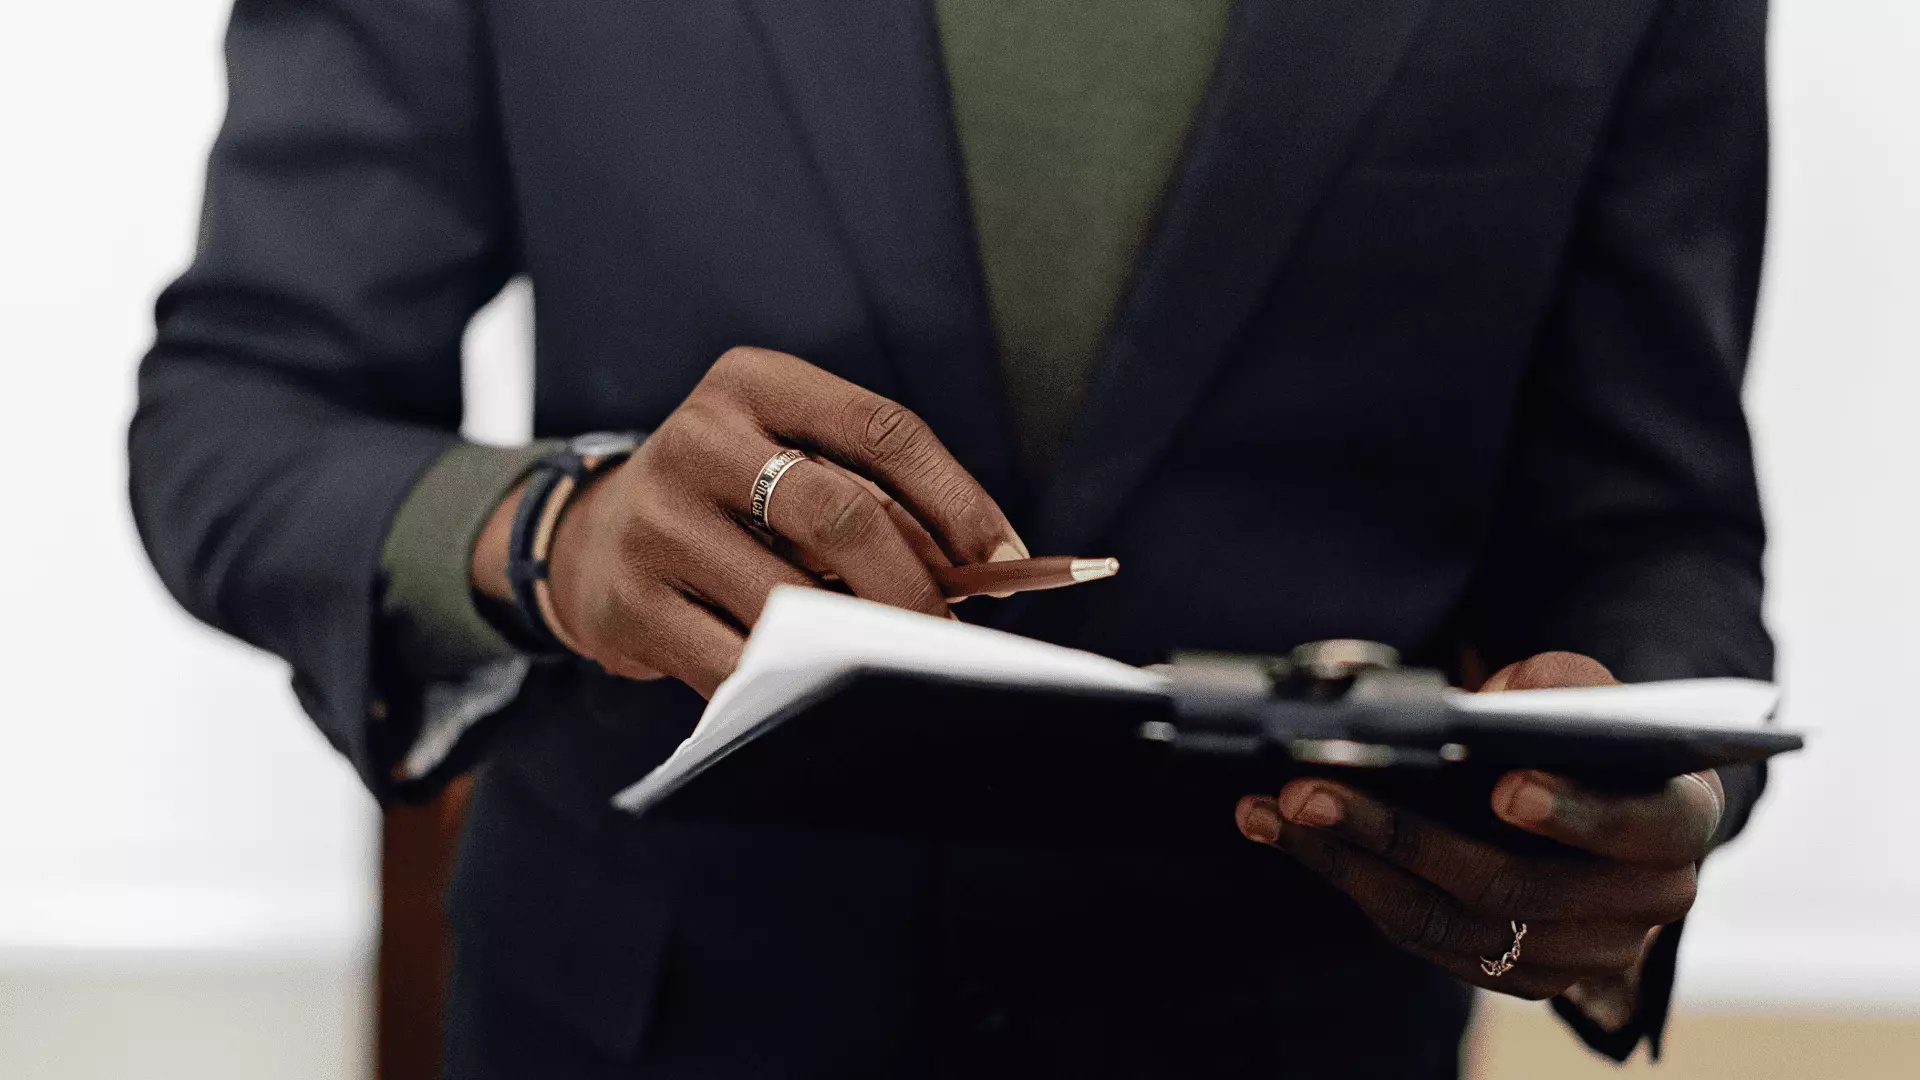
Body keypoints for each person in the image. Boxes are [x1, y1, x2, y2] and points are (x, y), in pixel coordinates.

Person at [129, 0, 1772, 1075]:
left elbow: (1651, 519)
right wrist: (547, 532)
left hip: (1298, 1021)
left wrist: (1626, 791)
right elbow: (241, 402)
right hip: (644, 1018)